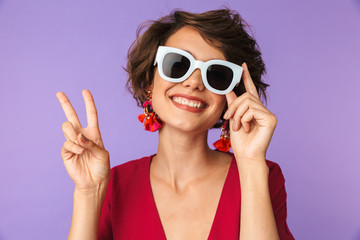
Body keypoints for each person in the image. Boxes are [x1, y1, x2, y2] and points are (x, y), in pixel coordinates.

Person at [56, 8, 294, 240]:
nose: (194, 82)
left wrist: (251, 163)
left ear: (231, 97)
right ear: (150, 81)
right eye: (178, 64)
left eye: (216, 74)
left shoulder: (262, 175)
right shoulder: (112, 184)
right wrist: (88, 193)